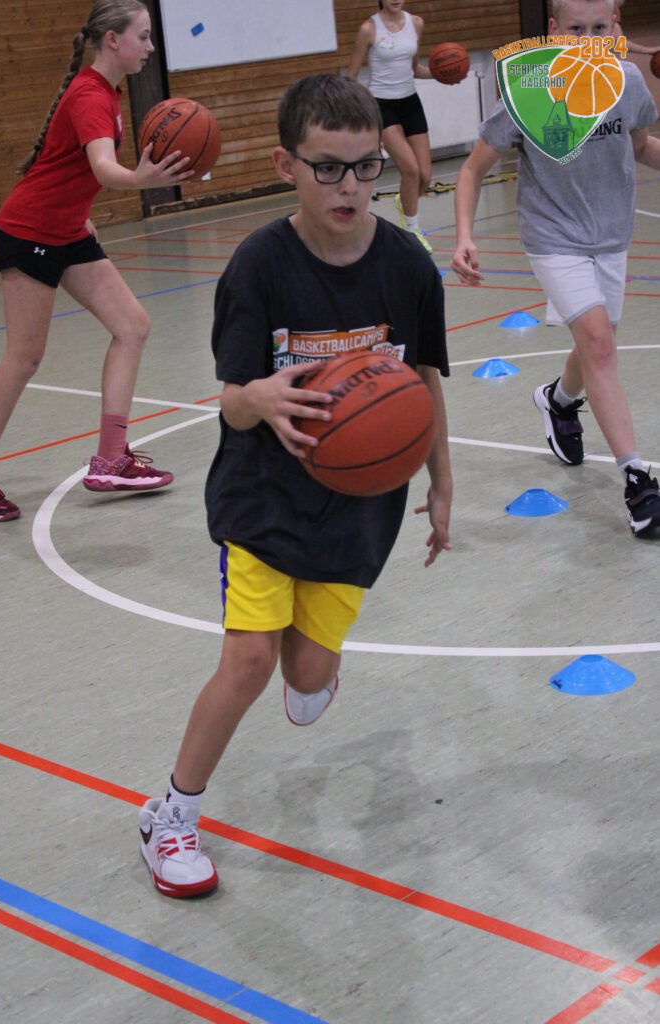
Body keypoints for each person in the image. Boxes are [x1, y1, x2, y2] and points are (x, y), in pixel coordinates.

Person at [138, 73, 453, 898]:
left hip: (361, 504)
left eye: (365, 167)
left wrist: (442, 480)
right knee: (248, 660)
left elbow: (422, 377)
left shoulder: (406, 267)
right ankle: (170, 816)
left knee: (306, 678)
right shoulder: (259, 266)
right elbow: (231, 401)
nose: (349, 186)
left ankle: (313, 669)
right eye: (328, 168)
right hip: (263, 495)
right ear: (287, 167)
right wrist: (262, 398)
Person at [0, 0, 194, 524]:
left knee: (132, 326)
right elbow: (101, 165)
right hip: (30, 231)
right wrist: (141, 179)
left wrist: (80, 212)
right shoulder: (91, 96)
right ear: (113, 40)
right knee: (24, 357)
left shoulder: (105, 93)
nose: (150, 47)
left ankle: (112, 459)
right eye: (143, 36)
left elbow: (69, 166)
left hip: (67, 230)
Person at [452, 0, 660, 539]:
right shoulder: (529, 90)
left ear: (614, 27)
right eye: (575, 28)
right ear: (553, 30)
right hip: (552, 236)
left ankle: (559, 402)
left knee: (597, 344)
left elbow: (641, 148)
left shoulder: (626, 81)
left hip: (612, 233)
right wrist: (465, 235)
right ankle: (638, 482)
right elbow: (472, 170)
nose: (588, 39)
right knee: (600, 345)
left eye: (599, 27)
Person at [348, 0, 434, 254]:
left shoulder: (416, 23)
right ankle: (412, 231)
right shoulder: (369, 29)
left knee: (425, 176)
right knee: (411, 170)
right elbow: (351, 78)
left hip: (411, 102)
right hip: (382, 105)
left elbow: (414, 69)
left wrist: (442, 74)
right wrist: (362, 117)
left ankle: (403, 201)